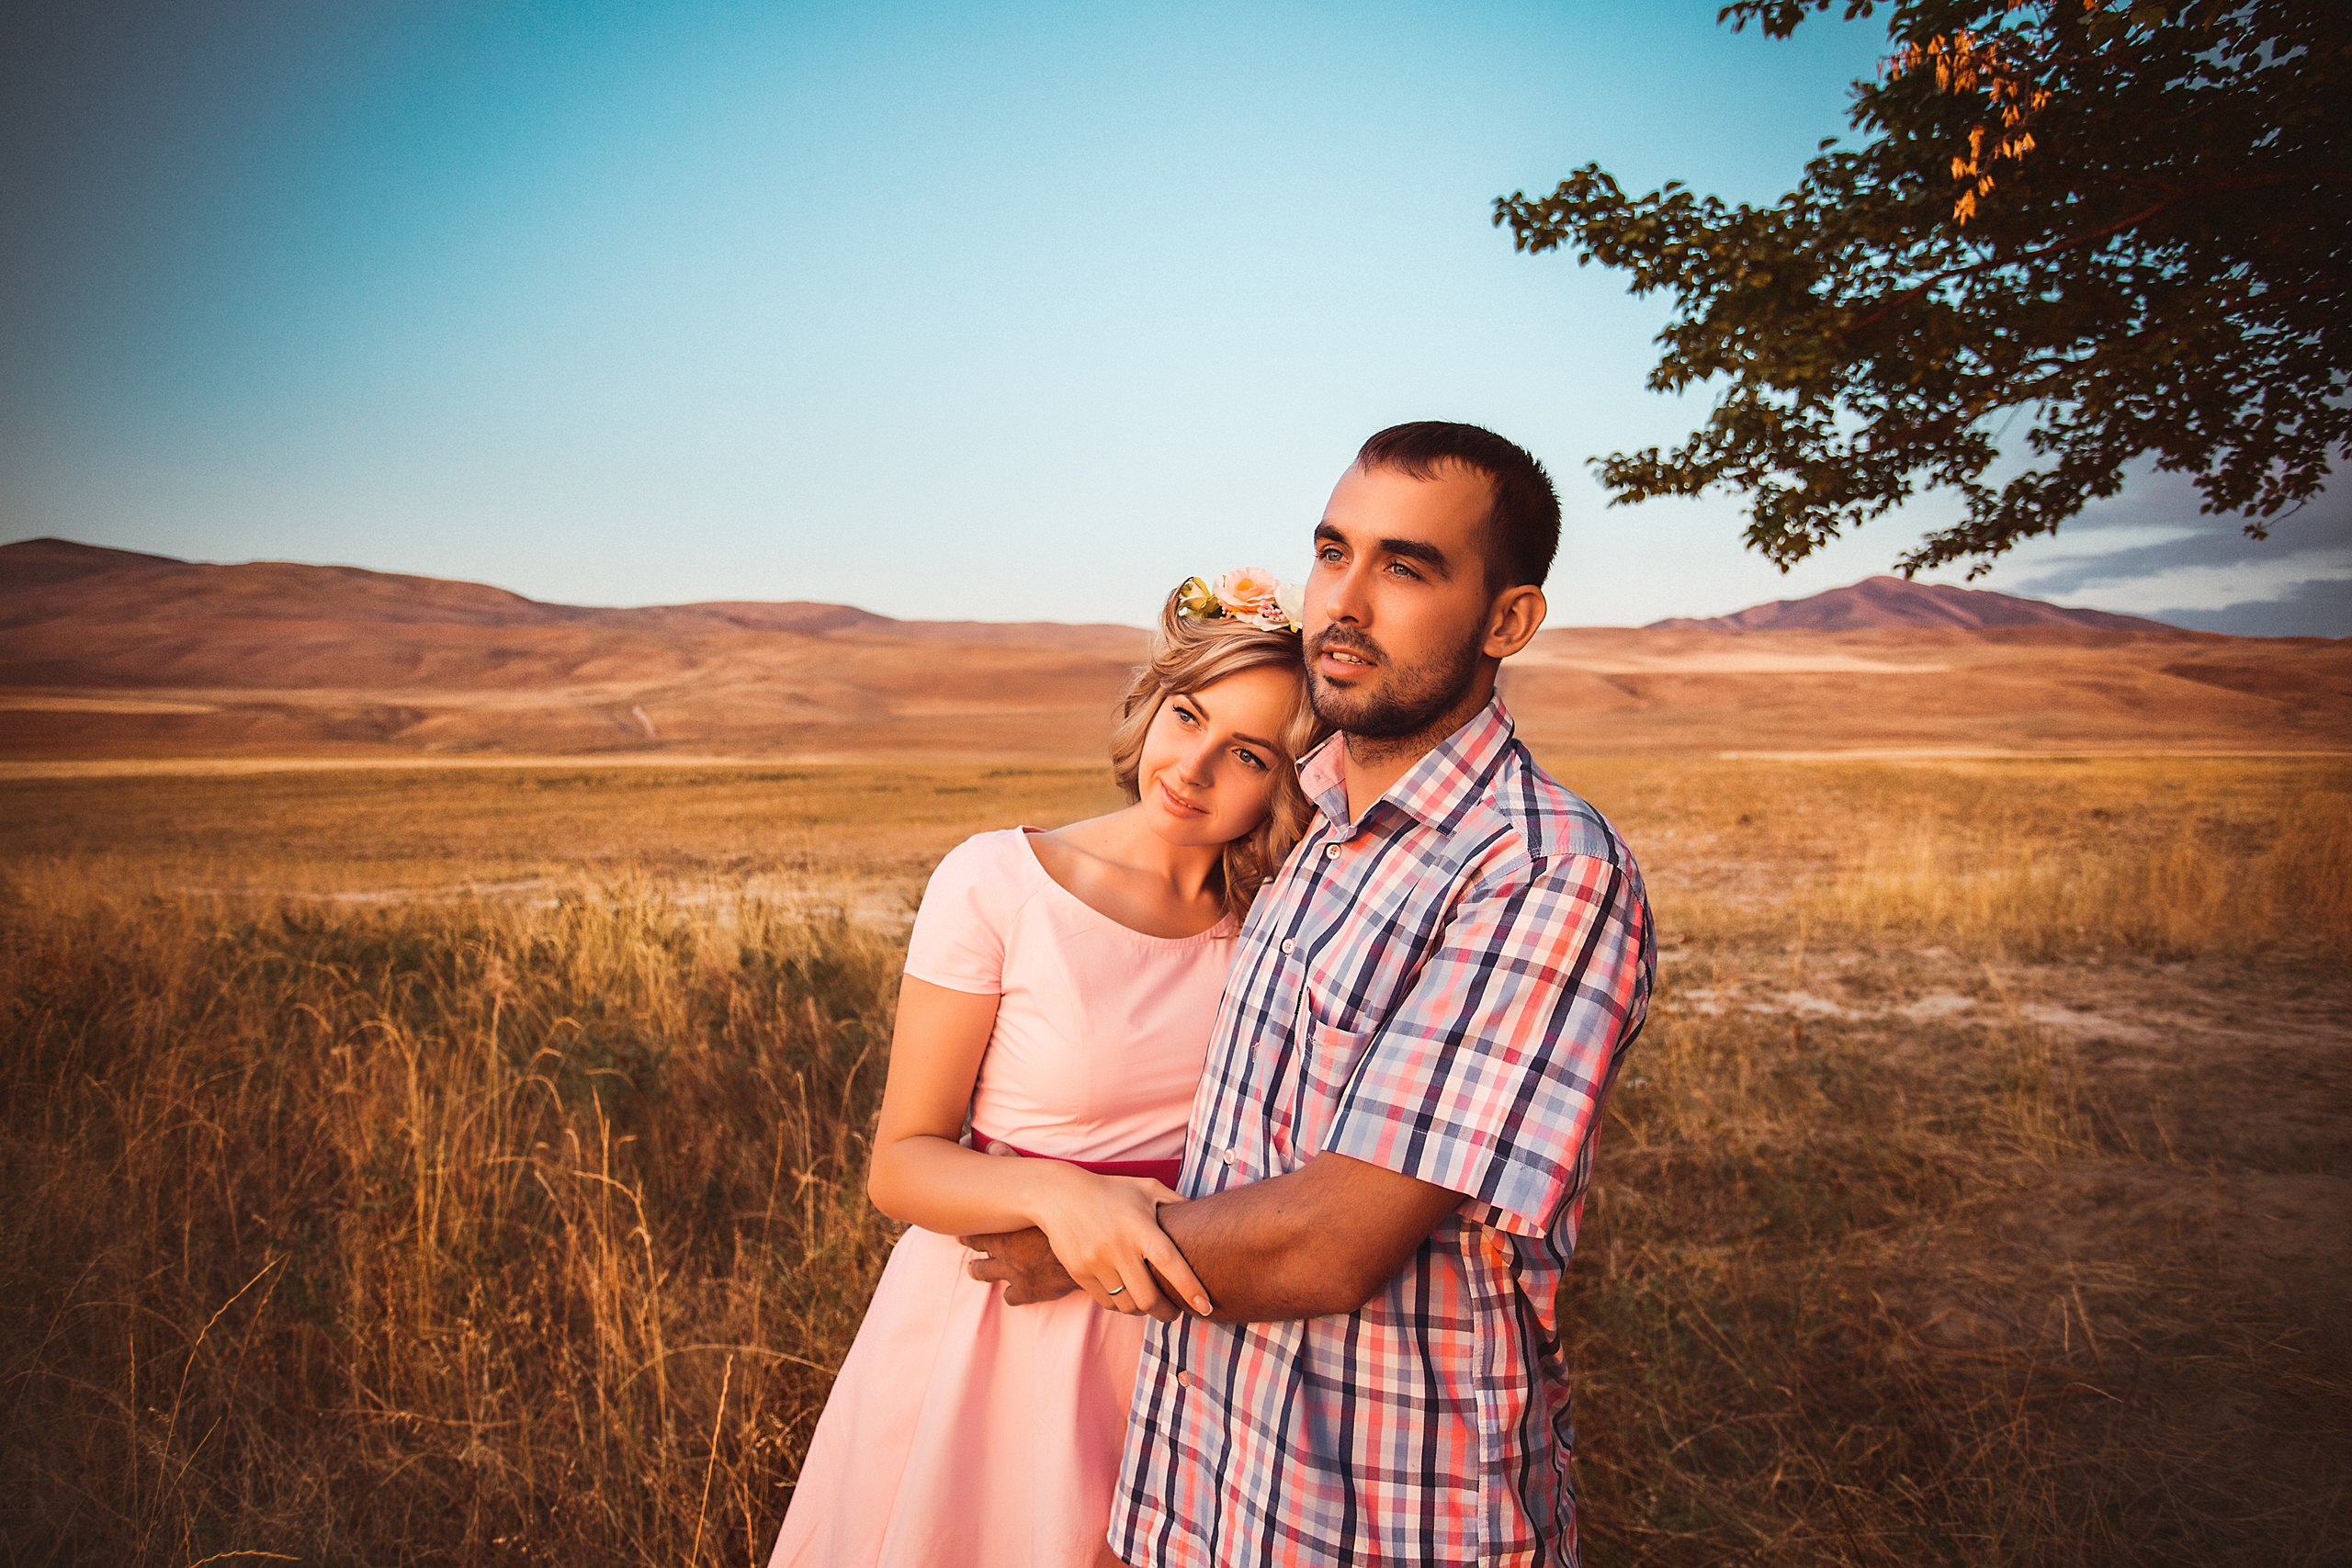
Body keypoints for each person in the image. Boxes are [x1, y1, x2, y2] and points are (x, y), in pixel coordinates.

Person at [965, 422, 1657, 1566]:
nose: (1343, 600)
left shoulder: (1540, 870)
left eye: (1405, 567)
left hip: (1386, 1508)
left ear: (1508, 621)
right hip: (1203, 1476)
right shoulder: (1305, 822)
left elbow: (1337, 1240)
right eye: (1332, 552)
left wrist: (1078, 1243)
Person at [768, 572, 1330, 1568]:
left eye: (1244, 753)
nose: (1190, 766)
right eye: (1185, 714)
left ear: (1289, 780)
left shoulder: (1281, 928)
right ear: (1153, 701)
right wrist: (1056, 1196)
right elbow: (899, 1164)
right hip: (998, 1332)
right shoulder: (999, 883)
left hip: (1193, 1333)